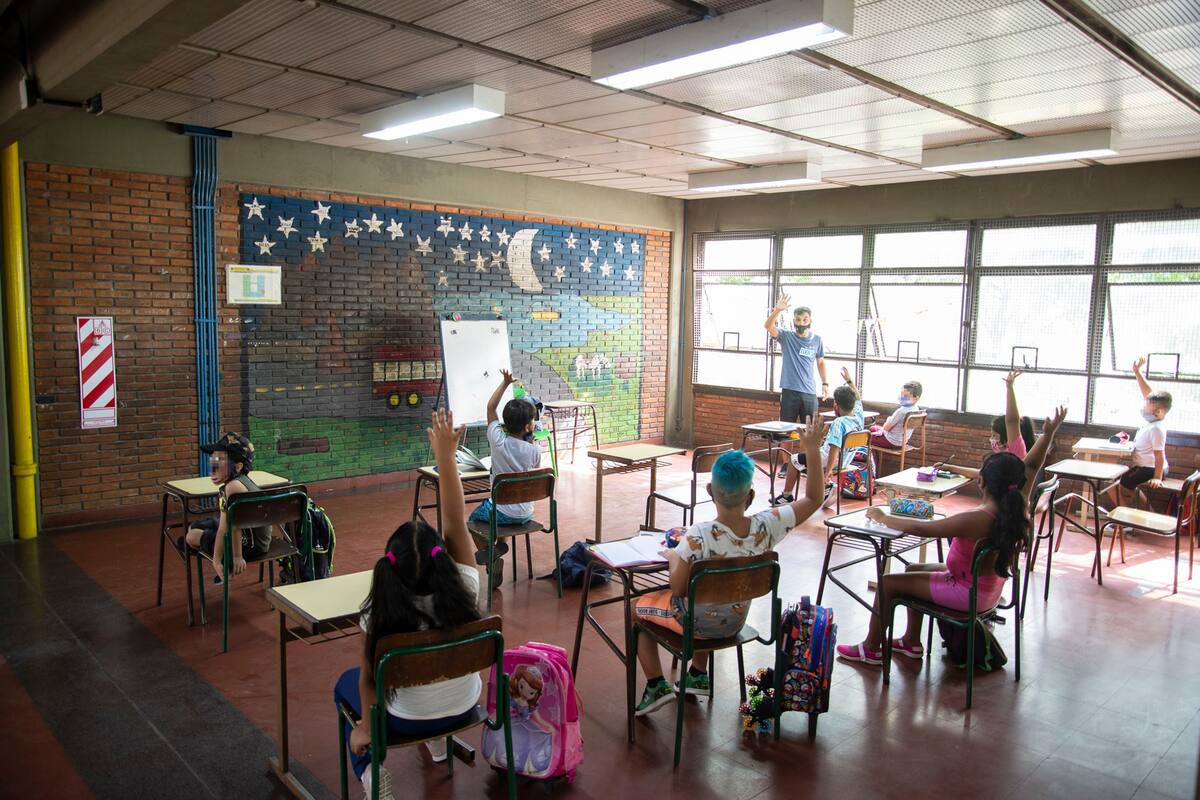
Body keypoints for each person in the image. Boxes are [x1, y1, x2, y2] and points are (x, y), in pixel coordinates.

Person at [836, 406, 1067, 665]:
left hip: (965, 591)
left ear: (982, 483)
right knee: (913, 568)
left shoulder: (977, 518)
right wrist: (1048, 434)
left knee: (888, 583)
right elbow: (1033, 465)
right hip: (984, 588)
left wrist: (884, 517)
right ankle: (911, 641)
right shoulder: (1017, 505)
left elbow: (924, 529)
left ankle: (871, 649)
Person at [334, 409, 483, 800]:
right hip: (466, 705)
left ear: (388, 566)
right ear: (441, 559)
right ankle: (439, 743)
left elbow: (368, 681)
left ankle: (371, 775)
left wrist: (366, 726)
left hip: (406, 718)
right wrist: (447, 457)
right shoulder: (467, 585)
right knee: (434, 662)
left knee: (344, 684)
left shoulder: (378, 612)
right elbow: (455, 521)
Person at [632, 419, 827, 715]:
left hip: (696, 625)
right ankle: (697, 674)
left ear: (711, 490)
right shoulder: (768, 526)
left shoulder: (697, 536)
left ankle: (656, 684)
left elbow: (679, 588)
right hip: (736, 623)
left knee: (636, 609)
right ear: (750, 496)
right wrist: (812, 449)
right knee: (714, 596)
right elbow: (813, 498)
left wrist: (674, 558)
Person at [470, 369, 542, 585]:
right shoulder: (534, 451)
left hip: (501, 511)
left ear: (506, 423)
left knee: (473, 520)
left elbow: (491, 407)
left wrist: (504, 383)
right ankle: (497, 548)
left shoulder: (498, 441)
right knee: (496, 507)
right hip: (526, 514)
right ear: (529, 426)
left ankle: (490, 555)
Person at [764, 292, 828, 502]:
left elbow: (820, 362)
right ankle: (787, 463)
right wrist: (778, 310)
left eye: (805, 320)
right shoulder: (787, 337)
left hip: (809, 392)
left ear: (810, 321)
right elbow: (768, 327)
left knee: (809, 432)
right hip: (790, 390)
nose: (801, 323)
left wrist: (825, 384)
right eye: (798, 320)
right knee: (787, 431)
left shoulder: (817, 340)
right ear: (794, 321)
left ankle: (807, 462)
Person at [180, 432, 269, 582]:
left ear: (238, 466)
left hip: (250, 545)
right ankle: (206, 550)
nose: (213, 466)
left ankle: (222, 563)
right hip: (255, 538)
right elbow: (225, 525)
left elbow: (231, 527)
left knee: (190, 537)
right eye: (213, 459)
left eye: (219, 460)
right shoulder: (241, 481)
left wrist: (231, 557)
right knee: (194, 527)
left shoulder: (233, 488)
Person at [790, 366, 866, 508]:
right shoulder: (859, 416)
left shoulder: (839, 423)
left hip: (830, 460)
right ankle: (824, 489)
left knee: (794, 459)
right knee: (809, 454)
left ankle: (787, 495)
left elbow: (834, 448)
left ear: (836, 405)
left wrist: (829, 471)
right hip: (847, 460)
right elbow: (858, 397)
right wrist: (849, 381)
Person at [945, 369, 1034, 480]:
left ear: (1007, 437)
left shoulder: (1016, 454)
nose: (991, 439)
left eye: (995, 436)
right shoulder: (999, 458)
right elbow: (980, 474)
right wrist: (949, 467)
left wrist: (1009, 388)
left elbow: (1012, 421)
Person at [1108, 356, 1172, 506]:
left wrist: (1157, 477)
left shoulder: (1157, 428)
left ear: (1159, 411)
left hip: (1150, 469)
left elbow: (1159, 455)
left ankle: (1128, 516)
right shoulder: (1153, 418)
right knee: (1115, 482)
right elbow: (1147, 393)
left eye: (1147, 406)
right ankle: (1132, 515)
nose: (1144, 408)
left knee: (1112, 483)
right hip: (1145, 466)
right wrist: (1137, 371)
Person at [870, 380, 922, 450]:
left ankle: (866, 458)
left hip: (891, 442)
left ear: (916, 398)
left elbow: (886, 428)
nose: (902, 397)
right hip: (903, 442)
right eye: (901, 394)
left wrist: (888, 419)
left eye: (905, 396)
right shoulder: (916, 409)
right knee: (873, 428)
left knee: (864, 437)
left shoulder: (901, 411)